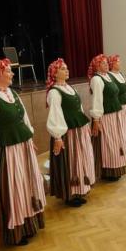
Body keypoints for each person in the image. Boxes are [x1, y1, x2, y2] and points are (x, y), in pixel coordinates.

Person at [0, 58, 46, 247]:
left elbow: (24, 119)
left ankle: (28, 225)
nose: (12, 74)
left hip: (22, 148)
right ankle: (14, 233)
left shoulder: (12, 93)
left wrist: (29, 138)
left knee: (26, 186)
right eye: (8, 72)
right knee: (13, 189)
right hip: (7, 153)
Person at [46, 58, 95, 207]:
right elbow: (55, 115)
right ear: (55, 73)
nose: (67, 71)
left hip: (78, 130)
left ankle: (79, 189)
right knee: (71, 161)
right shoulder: (54, 92)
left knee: (80, 160)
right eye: (62, 69)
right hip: (67, 133)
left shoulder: (69, 87)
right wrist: (58, 137)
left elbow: (79, 109)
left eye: (66, 68)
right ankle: (70, 194)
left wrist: (85, 127)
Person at [88, 54, 126, 181]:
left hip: (114, 114)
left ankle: (117, 167)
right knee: (108, 142)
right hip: (106, 116)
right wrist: (96, 119)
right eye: (103, 63)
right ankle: (108, 170)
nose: (106, 65)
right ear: (97, 66)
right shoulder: (97, 79)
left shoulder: (108, 76)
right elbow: (97, 100)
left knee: (116, 142)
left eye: (106, 63)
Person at [108, 54, 126, 157]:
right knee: (121, 127)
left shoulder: (121, 74)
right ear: (112, 64)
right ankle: (123, 148)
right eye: (117, 62)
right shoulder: (110, 76)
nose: (120, 63)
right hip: (118, 105)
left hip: (125, 104)